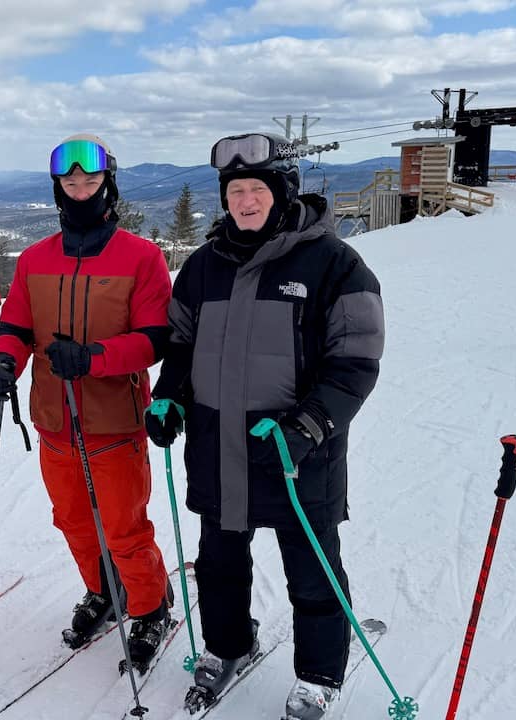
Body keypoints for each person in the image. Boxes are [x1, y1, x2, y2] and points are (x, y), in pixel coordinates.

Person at [144, 132, 384, 720]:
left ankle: (320, 673)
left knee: (312, 570)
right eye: (235, 192)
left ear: (283, 192)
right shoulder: (203, 267)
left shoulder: (336, 264)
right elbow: (181, 345)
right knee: (219, 565)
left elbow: (355, 361)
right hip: (218, 450)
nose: (245, 201)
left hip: (297, 452)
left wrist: (310, 424)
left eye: (256, 189)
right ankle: (228, 644)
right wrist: (169, 396)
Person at [0, 134, 174, 666]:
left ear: (108, 185)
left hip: (114, 420)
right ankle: (104, 590)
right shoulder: (35, 259)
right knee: (74, 521)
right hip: (54, 420)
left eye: (90, 181)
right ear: (58, 189)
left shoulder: (141, 257)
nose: (81, 190)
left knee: (124, 527)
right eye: (71, 183)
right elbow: (16, 325)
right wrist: (3, 360)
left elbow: (155, 340)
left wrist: (94, 357)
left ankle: (150, 606)